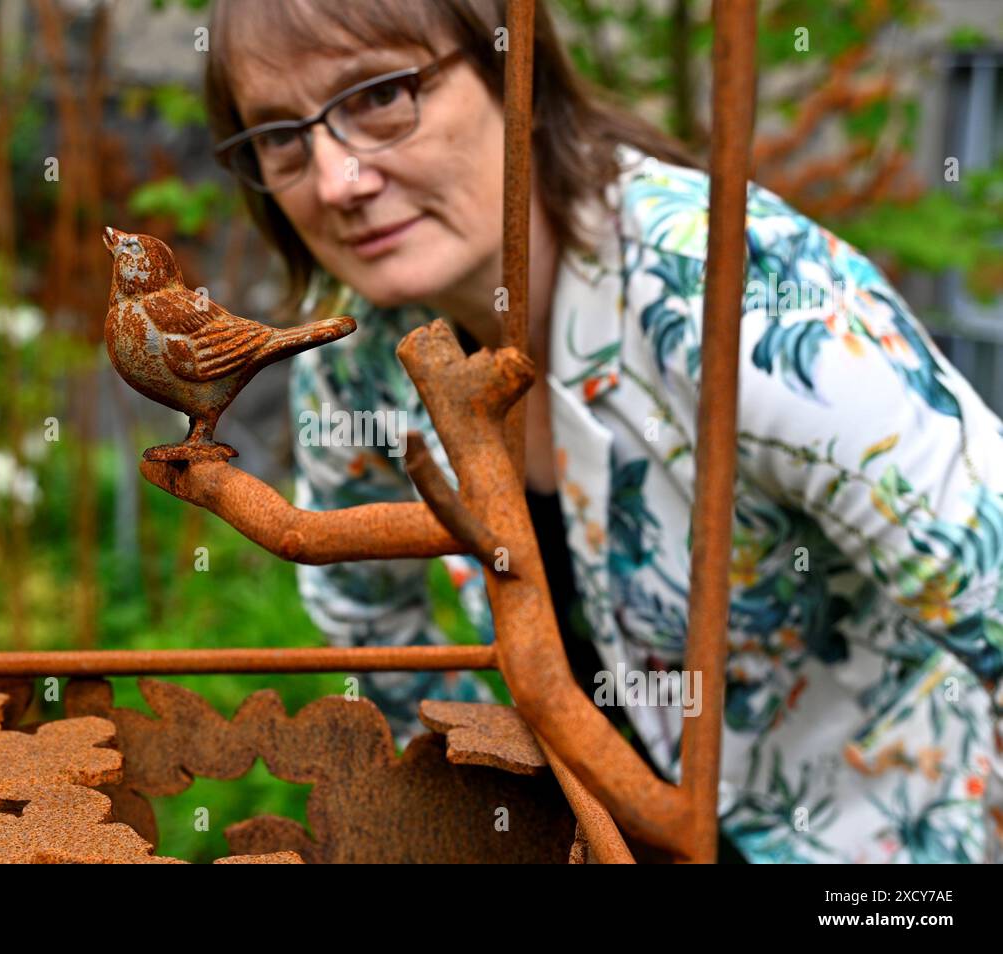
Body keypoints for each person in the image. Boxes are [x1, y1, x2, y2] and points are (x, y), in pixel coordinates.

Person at [202, 0, 1003, 863]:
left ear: (518, 76)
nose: (336, 181)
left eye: (383, 95)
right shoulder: (355, 360)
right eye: (282, 137)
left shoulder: (737, 295)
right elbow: (369, 626)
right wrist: (495, 808)